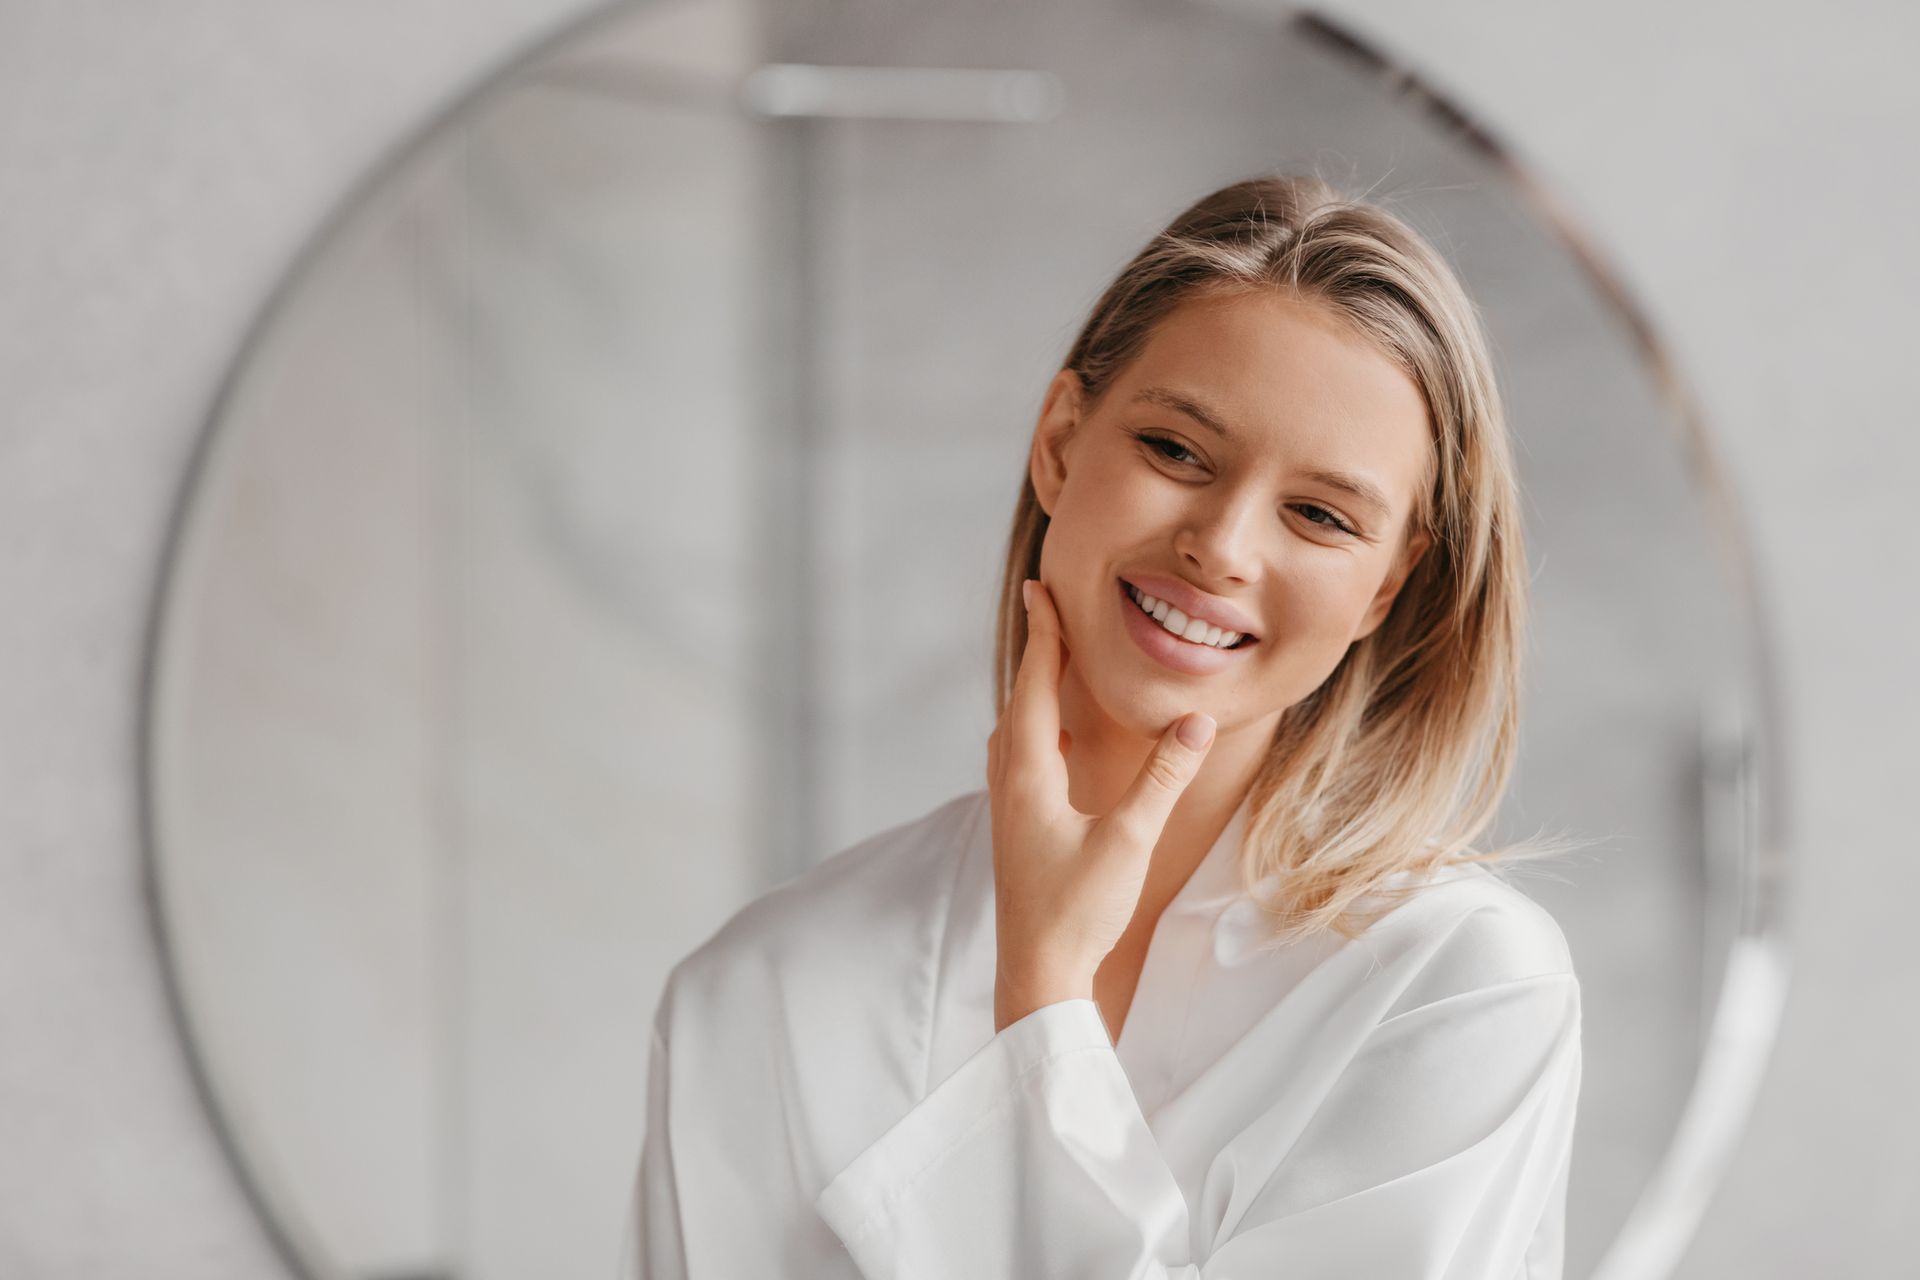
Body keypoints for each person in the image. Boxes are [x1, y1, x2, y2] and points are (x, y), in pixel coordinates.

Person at [625, 173, 1582, 1278]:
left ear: (1384, 589)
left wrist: (1045, 990)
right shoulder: (761, 988)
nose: (1222, 546)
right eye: (1177, 450)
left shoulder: (1458, 980)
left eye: (1319, 515)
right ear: (1061, 441)